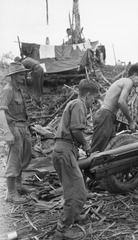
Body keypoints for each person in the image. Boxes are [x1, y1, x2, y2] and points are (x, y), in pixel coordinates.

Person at [52, 79, 99, 239]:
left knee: (71, 188)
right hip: (65, 150)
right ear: (87, 95)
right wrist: (86, 145)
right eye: (93, 98)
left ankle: (74, 216)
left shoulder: (74, 103)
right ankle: (62, 230)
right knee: (77, 191)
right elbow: (76, 130)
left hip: (63, 149)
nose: (93, 102)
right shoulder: (79, 104)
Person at [91, 65, 138, 152]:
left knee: (106, 148)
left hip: (109, 116)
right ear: (134, 74)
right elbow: (121, 102)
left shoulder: (123, 82)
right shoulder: (128, 81)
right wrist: (131, 121)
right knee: (97, 150)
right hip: (105, 115)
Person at [0, 62, 32, 204]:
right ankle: (11, 194)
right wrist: (6, 132)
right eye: (20, 74)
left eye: (23, 73)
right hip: (14, 127)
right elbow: (1, 111)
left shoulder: (18, 89)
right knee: (14, 161)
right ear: (13, 76)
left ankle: (18, 186)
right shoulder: (8, 90)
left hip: (23, 127)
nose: (23, 76)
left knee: (24, 158)